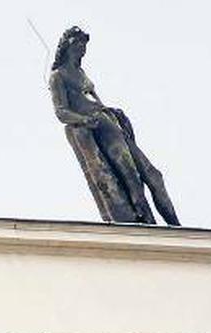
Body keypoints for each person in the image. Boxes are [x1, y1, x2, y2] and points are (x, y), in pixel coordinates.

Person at [49, 26, 179, 225]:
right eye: (79, 43)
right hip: (100, 128)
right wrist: (84, 120)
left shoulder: (81, 72)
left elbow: (92, 100)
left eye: (84, 44)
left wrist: (110, 110)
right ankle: (150, 227)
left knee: (154, 176)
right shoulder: (59, 75)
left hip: (113, 125)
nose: (83, 48)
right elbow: (61, 111)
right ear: (68, 46)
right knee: (133, 181)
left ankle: (175, 226)